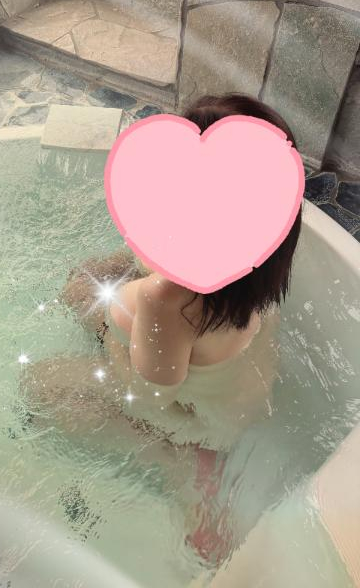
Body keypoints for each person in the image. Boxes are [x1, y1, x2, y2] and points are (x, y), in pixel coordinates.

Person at [21, 92, 302, 560]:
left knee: (40, 386)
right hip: (242, 387)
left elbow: (150, 397)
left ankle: (183, 468)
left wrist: (110, 338)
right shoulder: (260, 258)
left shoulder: (166, 301)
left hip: (198, 423)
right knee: (82, 288)